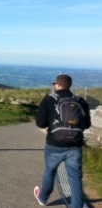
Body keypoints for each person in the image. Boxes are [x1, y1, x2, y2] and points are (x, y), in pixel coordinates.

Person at [34, 74, 91, 207]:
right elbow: (87, 124)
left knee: (50, 170)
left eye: (55, 84)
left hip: (54, 144)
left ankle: (43, 198)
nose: (54, 86)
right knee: (75, 176)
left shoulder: (48, 100)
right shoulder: (81, 101)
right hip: (75, 146)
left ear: (58, 85)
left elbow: (40, 123)